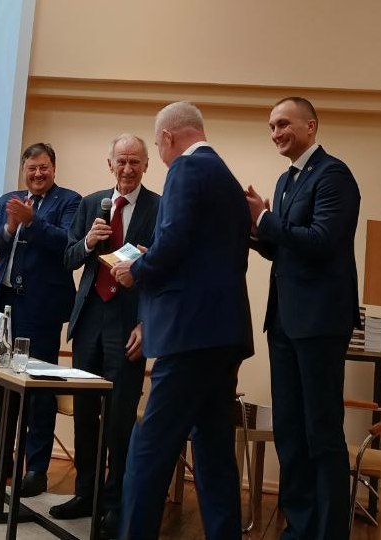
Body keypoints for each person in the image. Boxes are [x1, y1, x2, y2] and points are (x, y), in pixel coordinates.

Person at [112, 102, 254, 540]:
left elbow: (172, 243)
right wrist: (152, 258)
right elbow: (205, 252)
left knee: (150, 447)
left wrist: (136, 269)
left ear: (169, 137)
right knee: (213, 451)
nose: (161, 154)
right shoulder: (225, 176)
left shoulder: (186, 169)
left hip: (189, 335)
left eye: (158, 146)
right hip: (224, 333)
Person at [246, 97, 361, 540]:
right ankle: (299, 527)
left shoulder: (334, 175)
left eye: (283, 124)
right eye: (271, 127)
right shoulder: (286, 179)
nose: (275, 133)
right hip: (284, 322)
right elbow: (285, 247)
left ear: (310, 126)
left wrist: (266, 219)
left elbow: (321, 241)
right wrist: (254, 231)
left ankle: (328, 532)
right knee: (290, 431)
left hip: (319, 324)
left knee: (321, 433)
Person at [49, 134, 160, 539]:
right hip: (89, 319)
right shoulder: (91, 203)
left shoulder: (159, 207)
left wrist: (147, 324)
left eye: (135, 162)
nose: (127, 169)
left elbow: (164, 273)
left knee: (119, 418)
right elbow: (68, 258)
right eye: (121, 161)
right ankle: (86, 492)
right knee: (85, 413)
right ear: (109, 164)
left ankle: (115, 502)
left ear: (146, 165)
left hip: (129, 322)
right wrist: (87, 242)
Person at [0, 142, 81, 497]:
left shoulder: (70, 201)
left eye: (44, 167)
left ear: (54, 168)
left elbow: (67, 244)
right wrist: (9, 227)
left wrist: (32, 222)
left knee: (38, 392)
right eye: (32, 168)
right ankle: (0, 460)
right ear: (24, 170)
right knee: (0, 386)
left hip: (40, 309)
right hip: (2, 305)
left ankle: (36, 470)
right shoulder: (9, 200)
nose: (38, 174)